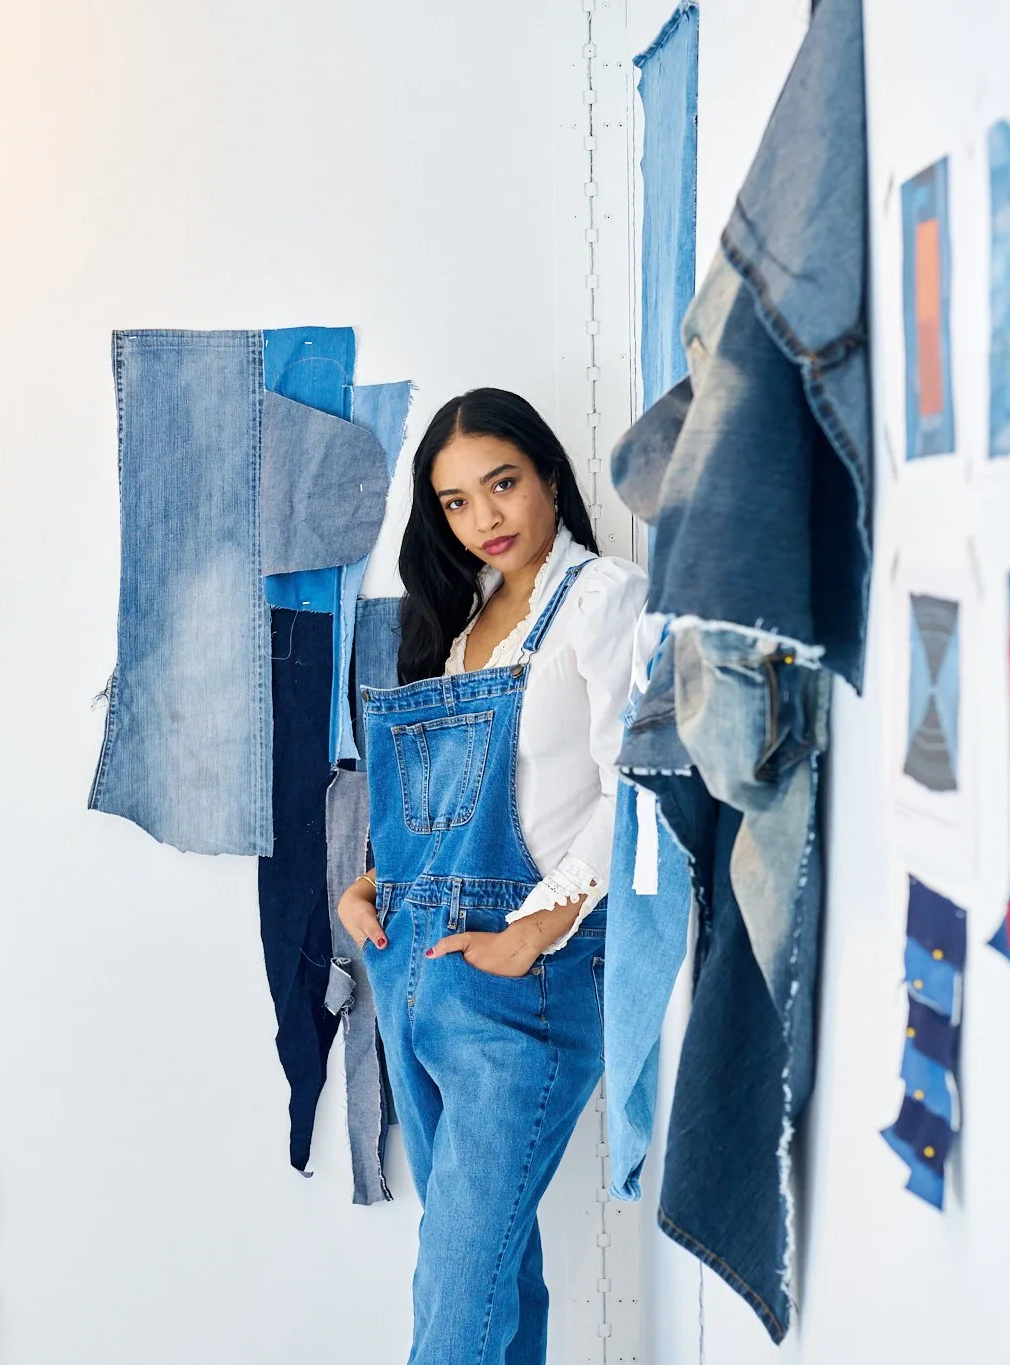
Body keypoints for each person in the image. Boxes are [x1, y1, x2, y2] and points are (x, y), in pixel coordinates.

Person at [338, 388, 647, 1365]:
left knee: (454, 1285)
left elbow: (631, 788)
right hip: (413, 970)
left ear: (549, 477)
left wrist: (536, 929)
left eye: (502, 484)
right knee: (494, 1278)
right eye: (457, 502)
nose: (486, 519)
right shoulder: (461, 623)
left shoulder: (599, 600)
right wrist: (372, 879)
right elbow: (432, 806)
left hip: (528, 984)